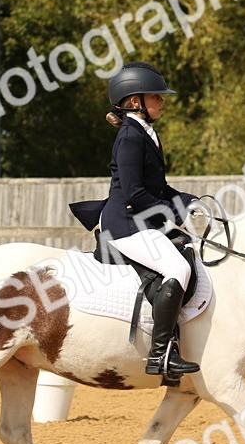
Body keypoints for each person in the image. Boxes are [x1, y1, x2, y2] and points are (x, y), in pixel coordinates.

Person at [68, 61, 201, 379]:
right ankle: (161, 355)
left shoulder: (147, 133)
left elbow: (160, 187)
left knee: (186, 250)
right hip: (125, 225)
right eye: (156, 96)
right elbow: (133, 193)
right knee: (178, 268)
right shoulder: (130, 137)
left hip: (141, 221)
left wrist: (188, 202)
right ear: (134, 101)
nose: (162, 101)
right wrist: (171, 214)